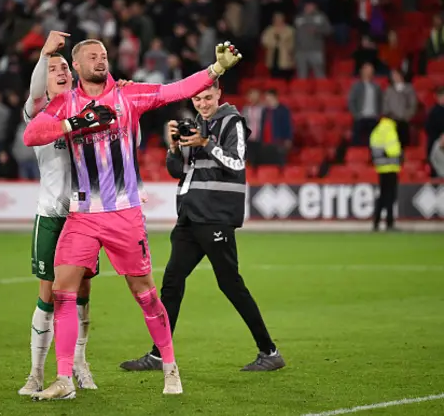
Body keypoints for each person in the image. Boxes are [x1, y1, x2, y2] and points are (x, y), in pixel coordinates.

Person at [23, 38, 242, 400]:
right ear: (76, 66)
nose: (100, 60)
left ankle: (170, 366)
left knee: (145, 295)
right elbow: (32, 134)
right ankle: (63, 378)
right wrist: (75, 123)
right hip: (82, 215)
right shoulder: (66, 104)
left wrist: (215, 70)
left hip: (124, 213)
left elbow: (176, 90)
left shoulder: (129, 95)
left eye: (104, 55)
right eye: (92, 56)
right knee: (63, 291)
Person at [120, 81, 285, 373]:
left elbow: (236, 163)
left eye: (208, 98)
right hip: (190, 217)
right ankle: (159, 354)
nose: (203, 104)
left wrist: (205, 143)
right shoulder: (195, 124)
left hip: (216, 215)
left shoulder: (232, 121)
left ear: (219, 94)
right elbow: (177, 172)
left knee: (230, 284)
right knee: (172, 282)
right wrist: (174, 148)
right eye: (198, 99)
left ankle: (269, 351)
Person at [18, 31, 99, 396]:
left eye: (65, 66)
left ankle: (79, 362)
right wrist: (44, 54)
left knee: (82, 292)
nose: (62, 71)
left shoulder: (84, 108)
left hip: (83, 216)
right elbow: (36, 90)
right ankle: (35, 373)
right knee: (48, 295)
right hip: (51, 215)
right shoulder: (38, 112)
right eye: (54, 69)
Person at [370, 117, 402, 231]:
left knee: (382, 196)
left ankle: (376, 222)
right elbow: (393, 150)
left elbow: (373, 149)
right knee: (390, 196)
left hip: (380, 167)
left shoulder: (376, 131)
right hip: (391, 167)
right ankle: (389, 223)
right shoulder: (390, 129)